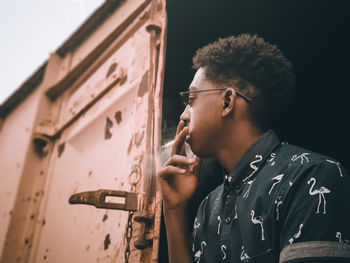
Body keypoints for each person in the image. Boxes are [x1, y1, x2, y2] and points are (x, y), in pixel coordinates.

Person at [157, 34, 350, 263]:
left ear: (227, 101)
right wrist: (174, 209)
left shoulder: (313, 176)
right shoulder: (207, 209)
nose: (183, 116)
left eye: (191, 100)